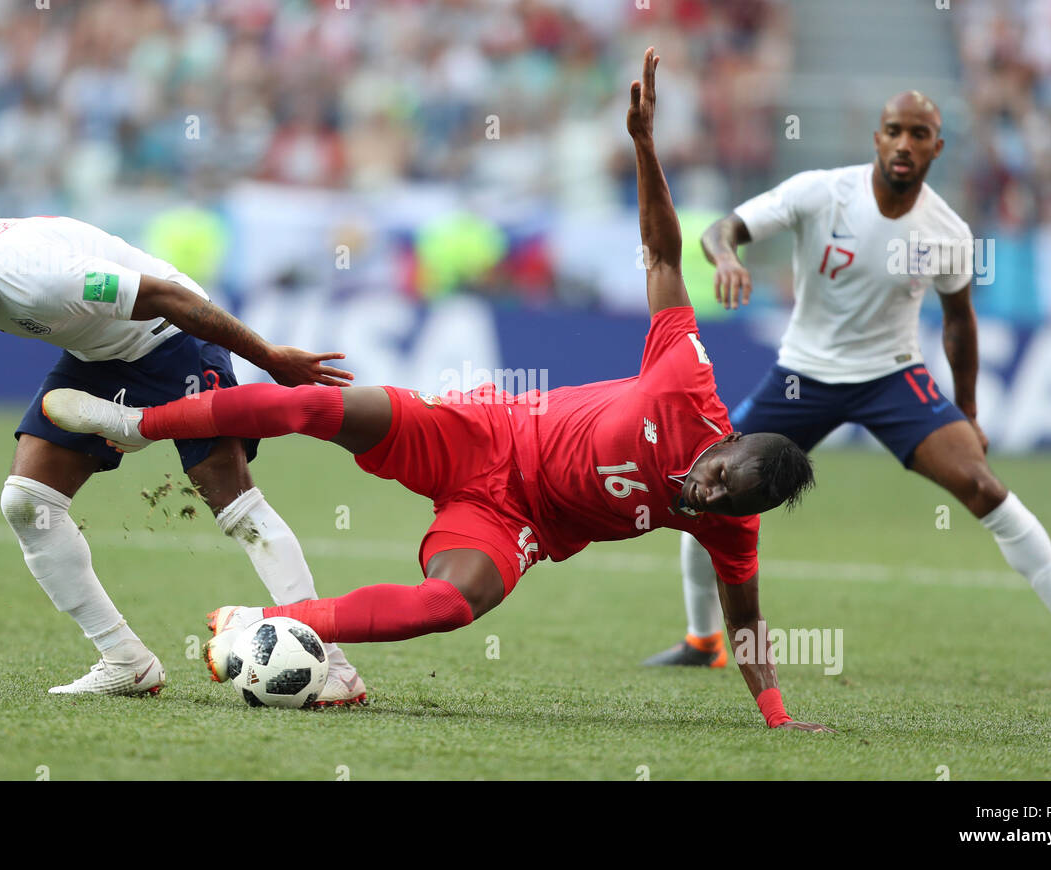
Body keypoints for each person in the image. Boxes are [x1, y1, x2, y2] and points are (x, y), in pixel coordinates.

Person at [45, 49, 832, 731]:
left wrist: (778, 715)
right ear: (724, 442)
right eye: (718, 476)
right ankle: (139, 422)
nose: (705, 494)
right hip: (480, 434)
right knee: (318, 404)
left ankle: (268, 622)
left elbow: (750, 629)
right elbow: (662, 258)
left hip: (514, 520)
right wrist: (643, 144)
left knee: (451, 606)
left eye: (724, 502)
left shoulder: (733, 528)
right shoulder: (688, 384)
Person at [643, 91, 1051, 679]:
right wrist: (726, 257)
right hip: (803, 375)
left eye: (918, 133)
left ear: (937, 146)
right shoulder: (821, 192)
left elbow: (959, 324)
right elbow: (724, 228)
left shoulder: (948, 232)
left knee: (983, 486)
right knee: (713, 479)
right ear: (877, 138)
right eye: (893, 130)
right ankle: (704, 640)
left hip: (892, 378)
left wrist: (971, 413)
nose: (904, 143)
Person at [0, 122, 367, 702]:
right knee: (26, 504)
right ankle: (125, 659)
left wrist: (270, 357)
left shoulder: (37, 281)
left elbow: (170, 298)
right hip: (98, 353)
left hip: (170, 335)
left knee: (229, 497)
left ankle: (331, 660)